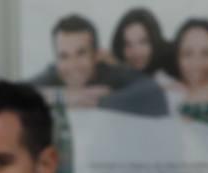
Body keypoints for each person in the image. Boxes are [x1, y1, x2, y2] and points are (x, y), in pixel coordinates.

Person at [30, 14, 169, 117]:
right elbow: (12, 94)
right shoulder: (55, 72)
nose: (73, 65)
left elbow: (153, 93)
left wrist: (95, 101)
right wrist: (65, 97)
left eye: (81, 53)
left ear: (96, 55)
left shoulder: (111, 72)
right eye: (64, 56)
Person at [110, 7, 175, 77]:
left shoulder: (175, 61)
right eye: (128, 44)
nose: (136, 52)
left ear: (155, 39)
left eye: (143, 42)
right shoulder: (120, 70)